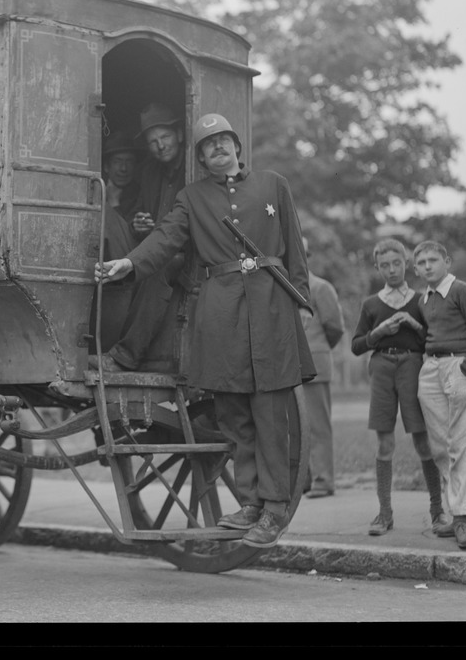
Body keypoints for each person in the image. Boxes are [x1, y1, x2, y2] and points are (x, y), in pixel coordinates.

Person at [95, 113, 316, 549]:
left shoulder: (274, 184)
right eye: (207, 144)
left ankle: (274, 508)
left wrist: (299, 299)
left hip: (271, 307)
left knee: (270, 412)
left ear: (236, 145)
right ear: (199, 156)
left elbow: (294, 247)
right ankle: (250, 503)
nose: (217, 148)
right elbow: (166, 238)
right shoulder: (191, 197)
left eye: (223, 140)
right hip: (219, 309)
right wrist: (131, 263)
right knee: (233, 411)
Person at [351, 239, 446, 536]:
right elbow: (356, 346)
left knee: (422, 442)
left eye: (396, 263)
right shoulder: (371, 304)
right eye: (384, 265)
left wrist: (413, 324)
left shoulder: (420, 300)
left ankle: (437, 510)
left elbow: (432, 340)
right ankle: (384, 514)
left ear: (406, 264)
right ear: (377, 267)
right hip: (381, 369)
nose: (391, 270)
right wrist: (378, 332)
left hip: (413, 368)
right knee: (385, 444)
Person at [90, 102, 186, 372]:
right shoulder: (150, 173)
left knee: (160, 268)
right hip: (155, 247)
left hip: (187, 254)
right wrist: (139, 225)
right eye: (153, 141)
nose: (160, 145)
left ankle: (126, 355)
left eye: (165, 137)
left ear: (179, 134)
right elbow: (141, 217)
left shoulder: (192, 169)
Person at [412, 240, 466, 550]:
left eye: (434, 260)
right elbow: (430, 334)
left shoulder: (462, 291)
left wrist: (465, 368)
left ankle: (460, 517)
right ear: (416, 269)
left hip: (458, 365)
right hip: (431, 368)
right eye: (422, 263)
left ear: (447, 261)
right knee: (440, 448)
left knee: (460, 443)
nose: (428, 266)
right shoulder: (424, 299)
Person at [299, 238, 344, 499]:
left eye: (301, 254)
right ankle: (303, 481)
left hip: (315, 365)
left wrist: (317, 349)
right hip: (291, 369)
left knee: (318, 427)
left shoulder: (320, 287)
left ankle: (324, 480)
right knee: (296, 429)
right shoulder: (286, 288)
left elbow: (335, 328)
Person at [100, 132, 141, 260]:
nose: (123, 168)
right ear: (106, 167)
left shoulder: (140, 196)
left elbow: (126, 245)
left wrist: (114, 203)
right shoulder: (96, 191)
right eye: (117, 161)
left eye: (129, 162)